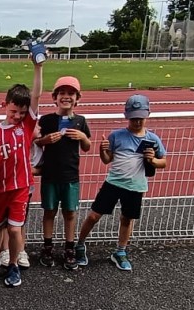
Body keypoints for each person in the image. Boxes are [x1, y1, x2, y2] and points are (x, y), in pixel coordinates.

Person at [75, 94, 167, 271]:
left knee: (127, 219)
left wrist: (153, 160)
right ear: (127, 116)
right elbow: (107, 160)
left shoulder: (153, 140)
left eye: (140, 118)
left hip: (136, 186)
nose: (137, 122)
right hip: (113, 183)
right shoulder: (117, 136)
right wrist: (102, 150)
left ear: (147, 115)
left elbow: (163, 161)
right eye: (133, 118)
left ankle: (120, 251)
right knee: (94, 215)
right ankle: (79, 244)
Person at [0, 58, 44, 287]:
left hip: (20, 188)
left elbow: (36, 96)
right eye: (14, 111)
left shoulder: (25, 126)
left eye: (22, 112)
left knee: (15, 228)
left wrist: (38, 68)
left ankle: (13, 263)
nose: (17, 116)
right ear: (4, 105)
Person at [33, 76, 91, 270]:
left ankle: (69, 248)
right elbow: (36, 142)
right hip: (50, 176)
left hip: (70, 177)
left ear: (77, 98)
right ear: (55, 97)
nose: (66, 97)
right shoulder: (47, 120)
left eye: (71, 93)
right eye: (62, 93)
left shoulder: (80, 121)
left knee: (70, 213)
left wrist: (82, 136)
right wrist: (46, 140)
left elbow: (87, 146)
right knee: (49, 212)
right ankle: (47, 247)